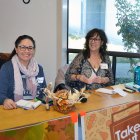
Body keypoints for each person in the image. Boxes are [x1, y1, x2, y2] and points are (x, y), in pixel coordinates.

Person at [0, 35, 47, 109]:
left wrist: (51, 96)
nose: (26, 51)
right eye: (22, 47)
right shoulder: (7, 68)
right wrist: (5, 100)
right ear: (16, 49)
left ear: (34, 50)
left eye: (30, 48)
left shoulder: (39, 69)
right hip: (14, 109)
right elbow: (1, 94)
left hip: (35, 108)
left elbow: (44, 91)